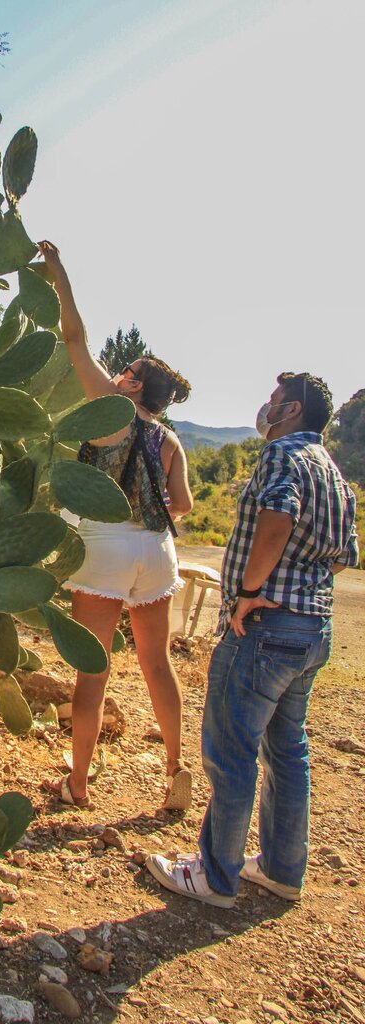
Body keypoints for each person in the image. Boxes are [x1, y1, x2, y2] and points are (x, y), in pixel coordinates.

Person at [146, 373, 359, 908]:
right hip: (313, 630)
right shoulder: (334, 473)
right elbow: (341, 555)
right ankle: (284, 869)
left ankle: (216, 876)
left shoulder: (283, 456)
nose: (265, 408)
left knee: (231, 750)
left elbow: (277, 517)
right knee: (287, 750)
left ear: (289, 411)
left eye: (272, 400)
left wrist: (249, 590)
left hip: (263, 630)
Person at [38, 240, 194, 812]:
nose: (118, 372)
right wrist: (144, 519)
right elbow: (182, 503)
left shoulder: (109, 407)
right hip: (157, 553)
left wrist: (60, 275)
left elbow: (74, 339)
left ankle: (78, 783)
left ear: (131, 385)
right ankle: (176, 775)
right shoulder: (169, 437)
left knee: (93, 671)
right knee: (157, 664)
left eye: (125, 370)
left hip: (103, 549)